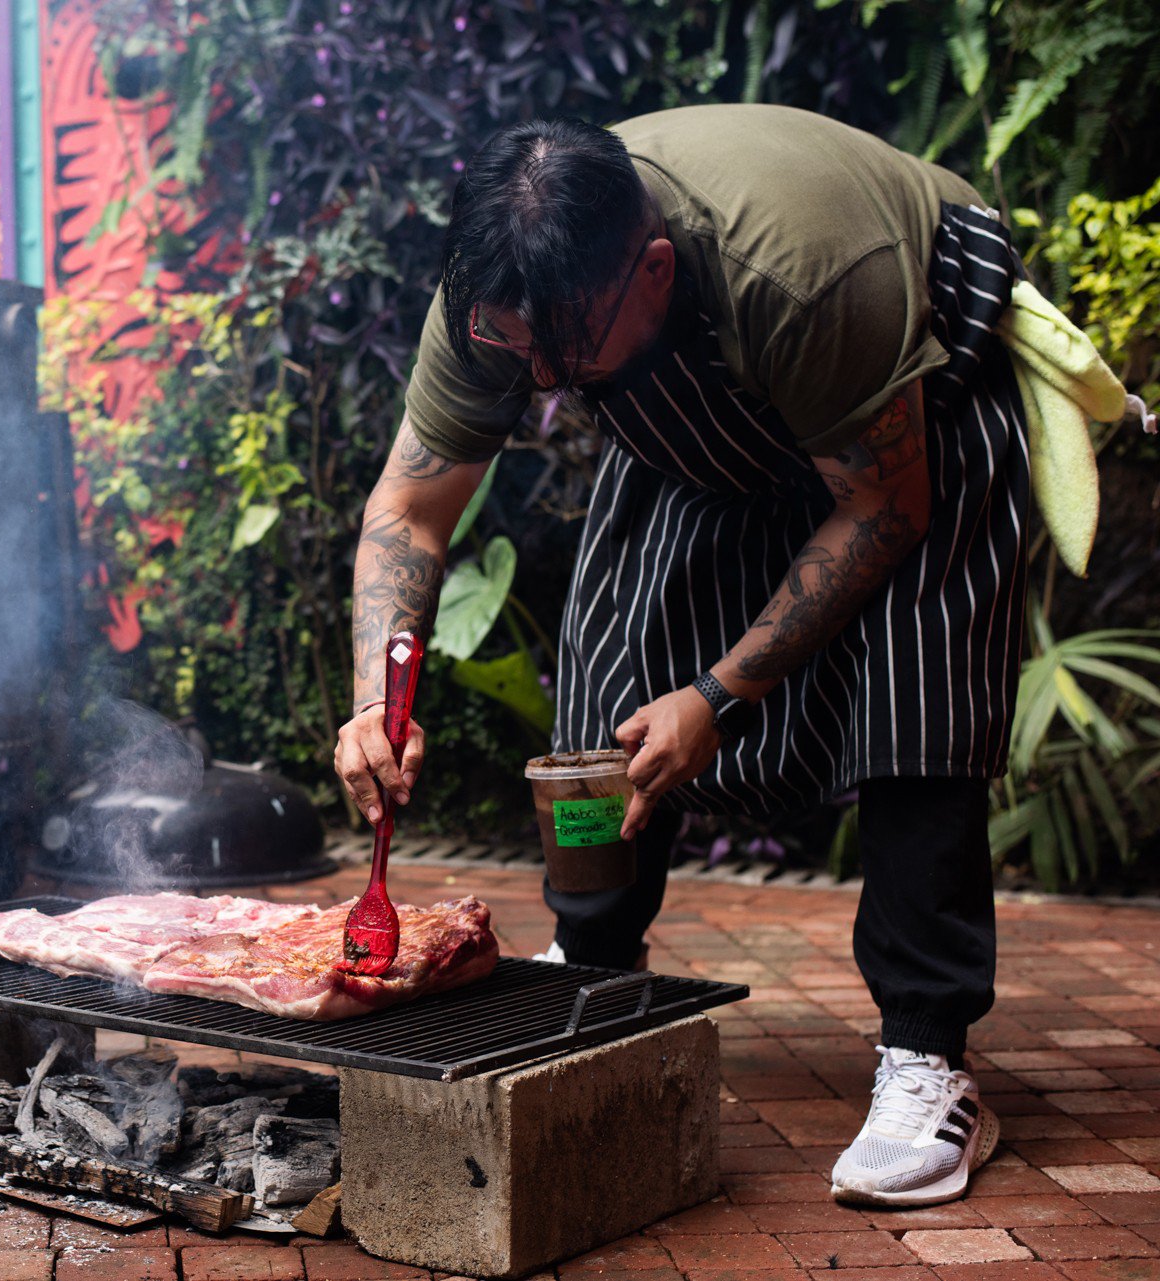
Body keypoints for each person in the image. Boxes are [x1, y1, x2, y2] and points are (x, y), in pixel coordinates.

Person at [336, 104, 1025, 1208]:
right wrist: (379, 697)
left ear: (654, 270)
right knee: (610, 671)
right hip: (709, 428)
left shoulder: (800, 269)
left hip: (909, 411)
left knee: (917, 684)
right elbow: (411, 510)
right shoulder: (501, 292)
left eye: (564, 355)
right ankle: (596, 969)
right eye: (519, 352)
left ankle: (929, 1053)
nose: (543, 384)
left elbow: (884, 506)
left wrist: (718, 693)